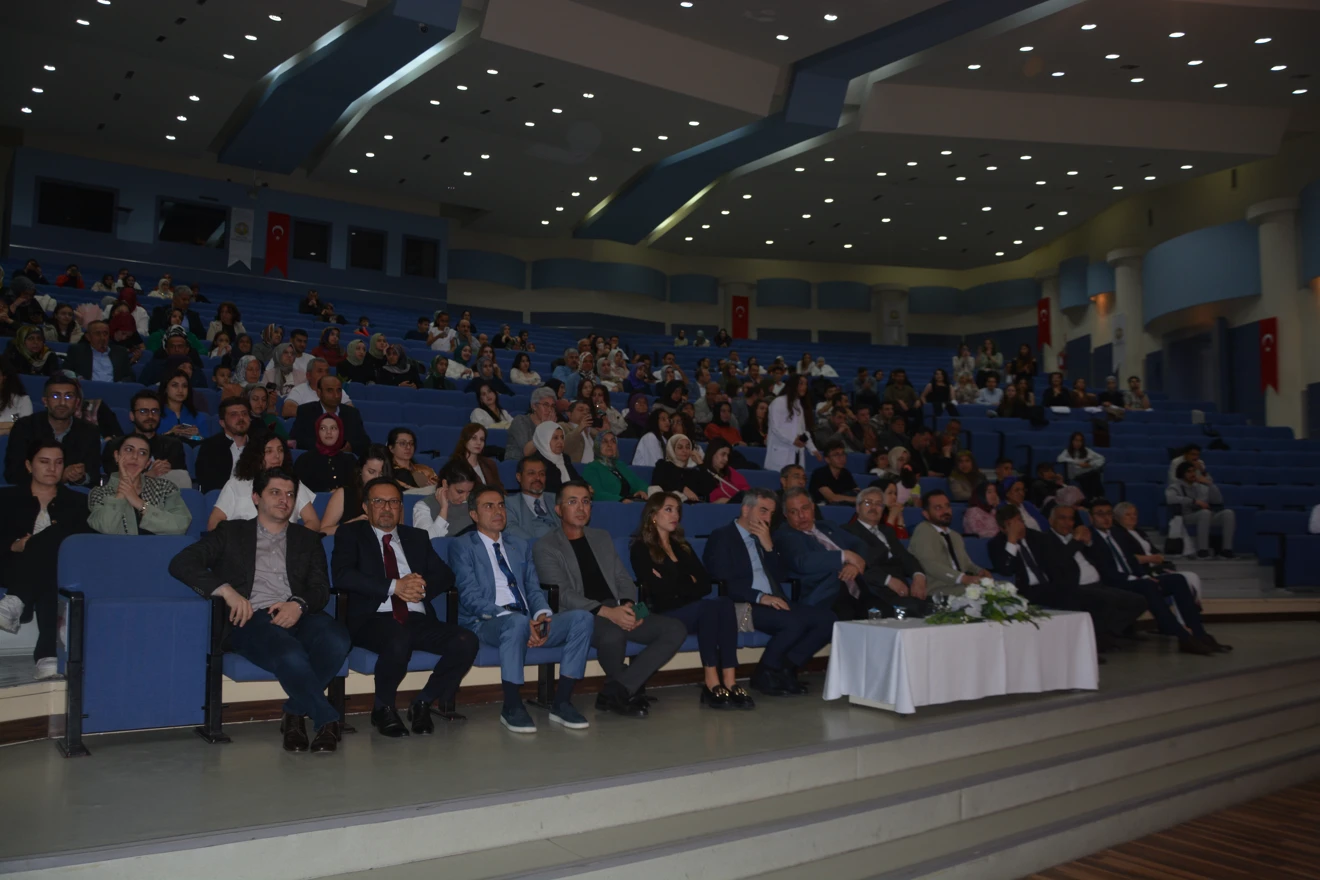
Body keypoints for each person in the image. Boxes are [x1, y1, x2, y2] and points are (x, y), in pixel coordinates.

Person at [170, 468, 350, 752]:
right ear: (256, 497)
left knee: (338, 639)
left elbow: (320, 588)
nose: (284, 500)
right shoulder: (231, 532)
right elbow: (181, 563)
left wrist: (298, 604)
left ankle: (294, 713)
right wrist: (226, 591)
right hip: (251, 618)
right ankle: (327, 718)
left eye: (289, 494)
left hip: (297, 612)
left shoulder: (307, 538)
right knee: (289, 652)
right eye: (275, 492)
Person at [333, 477, 479, 735]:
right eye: (379, 502)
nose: (387, 508)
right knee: (398, 636)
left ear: (401, 507)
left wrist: (418, 588)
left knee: (466, 640)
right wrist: (394, 586)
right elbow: (343, 575)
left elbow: (445, 575)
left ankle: (423, 702)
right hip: (372, 619)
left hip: (416, 617)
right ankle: (383, 708)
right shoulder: (351, 534)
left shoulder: (416, 537)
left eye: (393, 502)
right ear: (366, 507)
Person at [533, 481, 686, 716]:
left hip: (619, 606)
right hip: (584, 615)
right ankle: (622, 692)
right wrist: (609, 613)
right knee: (613, 634)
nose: (581, 508)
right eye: (573, 502)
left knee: (675, 628)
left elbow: (623, 577)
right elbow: (564, 594)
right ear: (558, 509)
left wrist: (629, 605)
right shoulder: (546, 546)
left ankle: (618, 690)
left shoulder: (601, 537)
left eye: (586, 501)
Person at [452, 485, 594, 733]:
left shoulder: (519, 544)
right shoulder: (462, 546)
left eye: (501, 505)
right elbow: (470, 597)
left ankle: (562, 702)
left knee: (583, 618)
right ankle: (512, 706)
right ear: (474, 514)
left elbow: (533, 588)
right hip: (485, 622)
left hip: (525, 620)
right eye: (489, 506)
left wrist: (542, 616)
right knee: (516, 622)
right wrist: (517, 619)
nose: (498, 511)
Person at [702, 489, 834, 696]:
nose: (767, 518)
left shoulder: (765, 537)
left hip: (773, 601)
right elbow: (723, 581)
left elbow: (781, 576)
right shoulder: (722, 537)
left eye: (771, 513)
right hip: (742, 605)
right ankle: (764, 673)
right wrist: (760, 597)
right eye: (763, 511)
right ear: (746, 510)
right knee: (793, 623)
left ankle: (785, 669)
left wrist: (769, 547)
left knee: (827, 619)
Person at [631, 493, 753, 710]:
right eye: (669, 509)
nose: (675, 515)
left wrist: (675, 581)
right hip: (661, 613)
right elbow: (658, 591)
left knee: (724, 602)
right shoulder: (640, 548)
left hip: (693, 610)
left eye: (678, 510)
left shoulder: (682, 546)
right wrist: (689, 580)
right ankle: (711, 682)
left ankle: (730, 680)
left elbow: (704, 584)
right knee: (708, 608)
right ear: (653, 515)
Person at [1086, 499, 1229, 654]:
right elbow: (1106, 571)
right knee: (1148, 585)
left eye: (1108, 513)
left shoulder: (1116, 534)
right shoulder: (1090, 536)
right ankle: (1183, 636)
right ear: (1091, 517)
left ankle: (1199, 633)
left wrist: (1143, 576)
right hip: (1115, 581)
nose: (1105, 518)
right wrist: (1140, 579)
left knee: (1178, 580)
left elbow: (1131, 560)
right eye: (1100, 514)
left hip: (1134, 578)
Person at [0, 440, 92, 680]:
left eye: (58, 463)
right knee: (52, 567)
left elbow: (84, 544)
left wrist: (34, 544)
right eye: (44, 462)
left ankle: (16, 599)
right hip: (10, 564)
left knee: (55, 547)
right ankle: (48, 656)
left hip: (58, 570)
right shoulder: (5, 498)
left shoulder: (79, 502)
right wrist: (13, 545)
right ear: (29, 465)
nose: (52, 468)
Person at [774, 487, 878, 620]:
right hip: (827, 597)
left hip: (859, 587)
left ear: (813, 507)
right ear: (785, 515)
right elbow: (802, 561)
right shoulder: (785, 535)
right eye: (794, 512)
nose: (801, 516)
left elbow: (860, 544)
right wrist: (844, 555)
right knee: (850, 618)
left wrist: (854, 565)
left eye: (805, 508)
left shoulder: (827, 526)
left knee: (887, 615)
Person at [843, 486, 931, 617]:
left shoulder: (887, 531)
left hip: (902, 593)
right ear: (857, 507)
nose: (873, 507)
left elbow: (905, 557)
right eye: (868, 503)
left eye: (879, 504)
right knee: (926, 610)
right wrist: (888, 580)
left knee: (942, 605)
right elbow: (860, 564)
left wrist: (918, 576)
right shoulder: (848, 532)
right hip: (876, 594)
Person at [4, 375, 100, 487]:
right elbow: (13, 474)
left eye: (68, 396)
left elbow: (93, 476)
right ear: (45, 401)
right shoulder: (24, 427)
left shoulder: (89, 431)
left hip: (72, 495)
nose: (62, 402)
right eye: (55, 396)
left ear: (77, 402)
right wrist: (61, 477)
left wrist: (80, 477)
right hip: (29, 493)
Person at [210, 434, 320, 531]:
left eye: (280, 450)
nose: (277, 456)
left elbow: (313, 522)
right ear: (255, 455)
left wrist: (294, 540)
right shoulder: (236, 484)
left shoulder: (292, 483)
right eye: (269, 451)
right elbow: (213, 523)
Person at [88, 435, 192, 536]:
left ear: (147, 463)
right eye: (129, 450)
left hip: (159, 548)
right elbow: (105, 528)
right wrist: (121, 494)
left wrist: (139, 503)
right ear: (117, 456)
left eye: (142, 453)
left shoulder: (164, 487)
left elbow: (181, 526)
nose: (135, 456)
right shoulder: (99, 493)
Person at [1113, 501, 1204, 601]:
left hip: (1157, 567)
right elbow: (1126, 557)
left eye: (1134, 514)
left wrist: (1159, 557)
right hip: (1143, 572)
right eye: (1128, 515)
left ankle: (1193, 606)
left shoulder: (1140, 532)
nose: (1133, 517)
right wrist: (1150, 559)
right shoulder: (1117, 534)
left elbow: (1155, 551)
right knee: (1188, 578)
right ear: (1118, 517)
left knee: (1193, 577)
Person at [907, 491, 990, 595]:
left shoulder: (955, 536)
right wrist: (962, 578)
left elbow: (966, 563)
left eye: (947, 506)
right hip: (937, 590)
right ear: (926, 514)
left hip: (960, 587)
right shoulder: (923, 530)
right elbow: (929, 564)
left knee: (1003, 588)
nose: (945, 511)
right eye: (938, 508)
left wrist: (980, 571)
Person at [102, 390, 188, 487]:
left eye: (155, 411)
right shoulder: (115, 445)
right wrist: (148, 476)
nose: (150, 416)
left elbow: (180, 482)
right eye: (143, 411)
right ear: (132, 416)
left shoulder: (173, 446)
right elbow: (114, 481)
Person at [1168, 461, 1235, 558]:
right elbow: (1170, 499)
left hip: (1206, 515)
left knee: (1228, 513)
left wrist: (1210, 484)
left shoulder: (1201, 486)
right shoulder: (1175, 486)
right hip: (1187, 516)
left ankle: (1226, 550)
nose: (1192, 474)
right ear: (1182, 473)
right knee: (1205, 513)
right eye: (1189, 471)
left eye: (1194, 471)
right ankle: (1202, 551)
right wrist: (1194, 501)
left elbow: (1218, 500)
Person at [320, 446, 392, 536]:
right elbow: (323, 531)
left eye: (381, 474)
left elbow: (398, 532)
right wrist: (351, 525)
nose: (376, 478)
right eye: (371, 472)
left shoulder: (393, 495)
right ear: (361, 470)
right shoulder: (344, 494)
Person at [291, 374, 370, 454]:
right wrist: (326, 448)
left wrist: (351, 447)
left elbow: (364, 442)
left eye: (339, 390)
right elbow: (297, 439)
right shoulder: (305, 411)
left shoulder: (352, 413)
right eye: (330, 390)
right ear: (319, 393)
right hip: (315, 457)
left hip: (343, 458)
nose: (336, 395)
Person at [195, 397, 256, 494]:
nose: (241, 418)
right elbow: (209, 484)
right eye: (234, 415)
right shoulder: (210, 447)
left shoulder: (260, 445)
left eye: (244, 414)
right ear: (222, 423)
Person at [765, 374, 820, 472]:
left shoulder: (798, 405)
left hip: (796, 453)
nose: (804, 387)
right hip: (781, 452)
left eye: (806, 384)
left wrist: (813, 449)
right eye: (801, 384)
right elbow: (775, 428)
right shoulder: (778, 402)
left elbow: (803, 431)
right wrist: (792, 440)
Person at [294, 412, 359, 493]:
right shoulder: (305, 460)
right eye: (323, 428)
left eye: (333, 428)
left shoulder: (350, 460)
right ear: (317, 432)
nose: (328, 432)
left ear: (340, 432)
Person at [412, 461, 477, 539]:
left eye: (469, 492)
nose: (464, 497)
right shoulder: (424, 506)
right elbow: (427, 540)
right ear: (445, 484)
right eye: (460, 491)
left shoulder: (474, 503)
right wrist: (444, 509)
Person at [503, 455, 561, 541]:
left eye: (542, 474)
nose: (538, 478)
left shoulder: (557, 499)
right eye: (531, 473)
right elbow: (511, 529)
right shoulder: (509, 504)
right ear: (519, 477)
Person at [580, 430, 647, 502]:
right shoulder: (592, 468)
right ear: (597, 446)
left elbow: (640, 484)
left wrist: (641, 491)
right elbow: (596, 494)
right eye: (604, 441)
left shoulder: (620, 465)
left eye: (613, 441)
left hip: (630, 503)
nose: (609, 445)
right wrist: (620, 500)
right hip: (611, 505)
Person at [63, 319, 134, 383]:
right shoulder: (77, 351)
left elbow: (130, 376)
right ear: (88, 337)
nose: (102, 337)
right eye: (97, 334)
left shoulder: (120, 352)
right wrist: (79, 379)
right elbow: (65, 371)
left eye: (105, 333)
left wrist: (120, 384)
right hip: (87, 389)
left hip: (114, 390)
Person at [281, 359, 354, 417]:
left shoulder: (337, 390)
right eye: (320, 371)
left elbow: (351, 410)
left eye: (327, 371)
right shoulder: (299, 390)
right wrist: (320, 414)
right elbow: (287, 410)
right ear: (308, 375)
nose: (324, 375)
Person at [652, 433, 713, 502]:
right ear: (672, 449)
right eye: (680, 447)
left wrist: (700, 464)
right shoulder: (662, 465)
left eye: (687, 447)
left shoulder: (691, 472)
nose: (684, 450)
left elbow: (709, 488)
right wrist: (683, 489)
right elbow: (660, 481)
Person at [504, 387, 557, 462]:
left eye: (552, 406)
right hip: (517, 464)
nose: (549, 410)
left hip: (541, 466)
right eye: (546, 405)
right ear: (534, 406)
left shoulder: (552, 425)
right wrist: (545, 428)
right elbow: (527, 452)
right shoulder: (520, 421)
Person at [158, 368, 211, 440]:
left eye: (184, 386)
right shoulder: (156, 416)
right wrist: (169, 434)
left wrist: (198, 437)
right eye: (175, 385)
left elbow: (207, 444)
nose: (180, 390)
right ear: (165, 389)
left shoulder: (199, 417)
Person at [531, 421, 579, 493]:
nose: (560, 441)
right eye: (555, 438)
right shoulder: (536, 462)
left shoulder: (565, 458)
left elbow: (576, 479)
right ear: (544, 440)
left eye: (562, 437)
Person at [807, 440, 858, 506]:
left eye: (843, 454)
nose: (841, 458)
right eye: (836, 455)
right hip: (823, 508)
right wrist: (856, 499)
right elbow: (832, 498)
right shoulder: (819, 473)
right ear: (827, 459)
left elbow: (857, 492)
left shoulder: (846, 473)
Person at [1058, 431, 1106, 500]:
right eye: (1076, 440)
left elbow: (1102, 458)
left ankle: (1095, 498)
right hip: (1076, 475)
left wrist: (1090, 464)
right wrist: (1077, 462)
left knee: (1094, 475)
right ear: (1072, 441)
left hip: (1087, 472)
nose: (1078, 443)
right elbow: (1060, 459)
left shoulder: (1087, 451)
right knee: (1092, 476)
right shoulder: (1067, 451)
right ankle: (1097, 497)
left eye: (1080, 441)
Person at [702, 438, 750, 503]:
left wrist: (729, 501)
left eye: (727, 455)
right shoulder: (700, 472)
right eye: (723, 454)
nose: (726, 459)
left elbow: (746, 490)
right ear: (712, 453)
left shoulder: (730, 471)